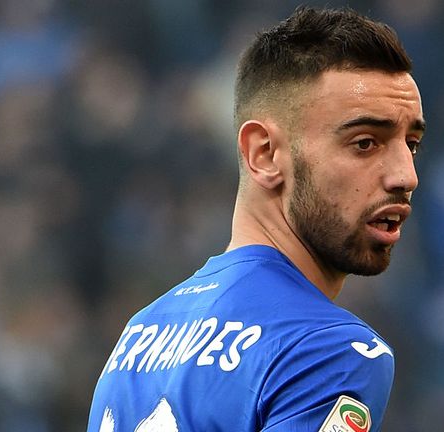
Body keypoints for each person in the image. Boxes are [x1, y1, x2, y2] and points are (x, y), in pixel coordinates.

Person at [86, 5, 425, 432]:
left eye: (411, 143)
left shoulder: (139, 336)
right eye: (364, 143)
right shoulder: (327, 350)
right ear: (264, 154)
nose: (405, 176)